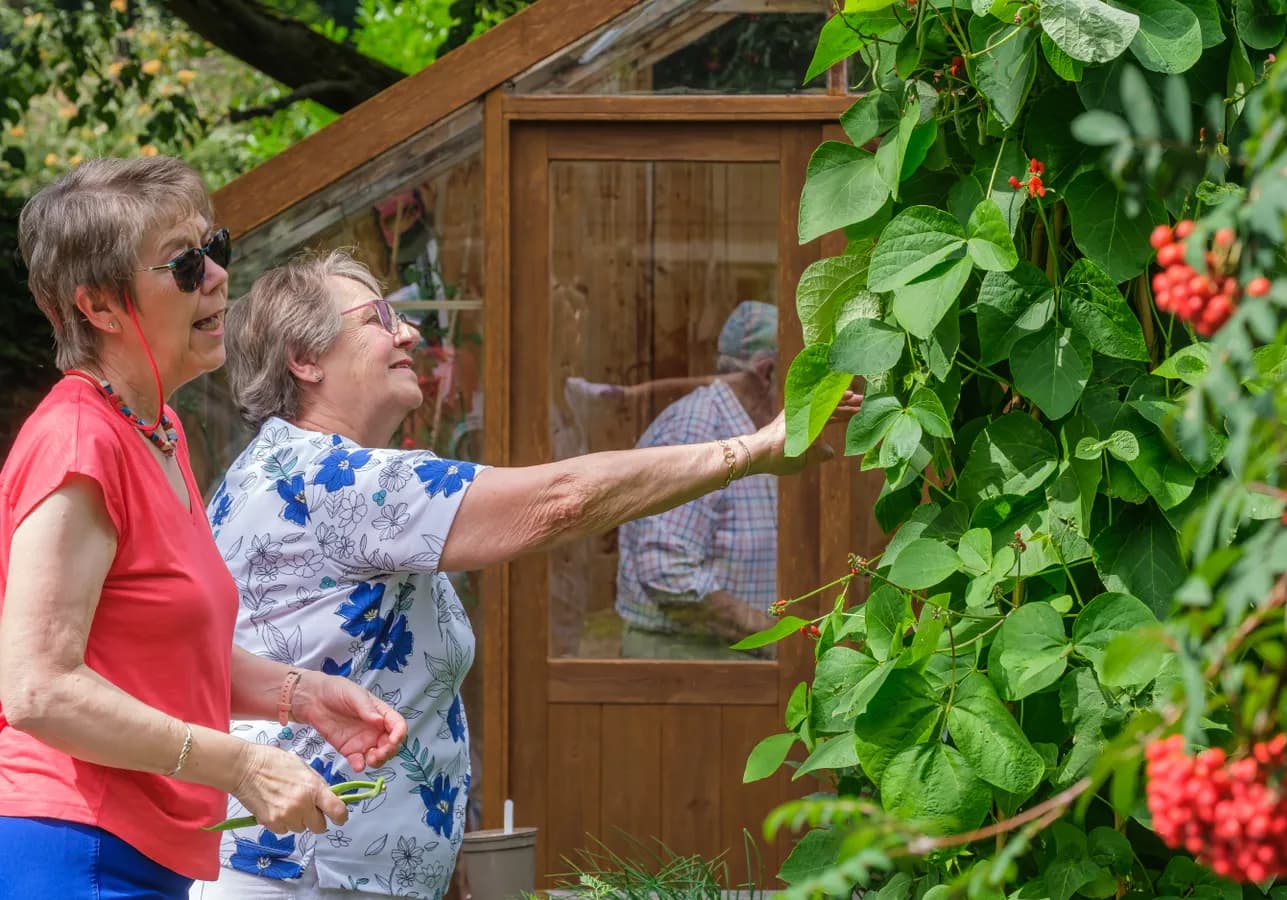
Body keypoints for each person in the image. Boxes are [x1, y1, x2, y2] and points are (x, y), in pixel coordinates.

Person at [193, 252, 855, 899]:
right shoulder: (334, 479)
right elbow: (561, 501)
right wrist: (754, 449)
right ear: (304, 361)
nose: (409, 332)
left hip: (320, 864)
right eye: (377, 317)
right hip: (297, 874)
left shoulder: (291, 468)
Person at [0, 157, 407, 899]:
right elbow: (38, 690)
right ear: (100, 307)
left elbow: (162, 658)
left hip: (140, 851)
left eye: (213, 247)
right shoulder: (77, 442)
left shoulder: (158, 431)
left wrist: (302, 695)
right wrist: (242, 764)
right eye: (185, 265)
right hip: (77, 849)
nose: (218, 275)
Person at [614, 301, 781, 660]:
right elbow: (666, 573)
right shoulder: (699, 428)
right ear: (767, 373)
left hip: (720, 657)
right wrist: (769, 633)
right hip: (688, 665)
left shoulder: (743, 427)